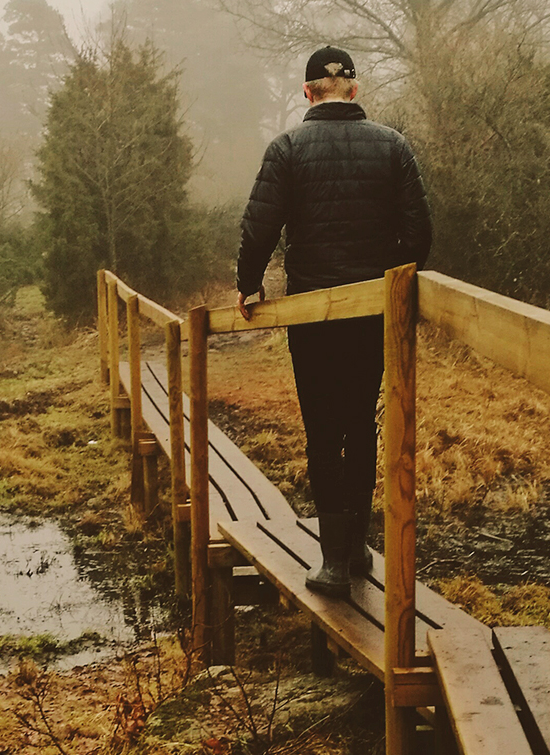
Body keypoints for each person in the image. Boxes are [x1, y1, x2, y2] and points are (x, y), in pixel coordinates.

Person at [235, 45, 432, 598]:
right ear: (355, 88)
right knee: (359, 422)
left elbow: (260, 224)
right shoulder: (393, 147)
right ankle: (358, 548)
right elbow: (419, 234)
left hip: (312, 315)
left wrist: (250, 284)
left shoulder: (288, 148)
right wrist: (389, 277)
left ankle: (331, 561)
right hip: (372, 311)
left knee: (323, 431)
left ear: (307, 92)